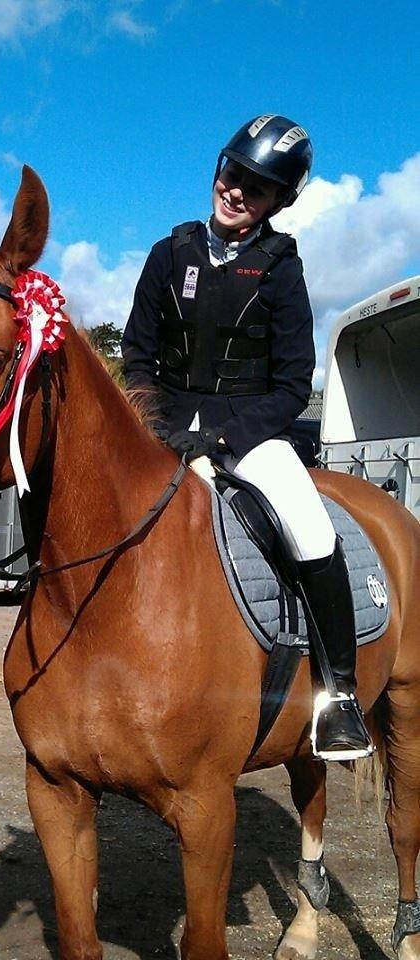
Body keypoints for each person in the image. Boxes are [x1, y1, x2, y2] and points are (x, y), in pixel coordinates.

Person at [121, 113, 373, 761]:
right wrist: (158, 426)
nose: (235, 191)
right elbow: (137, 356)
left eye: (255, 188)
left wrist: (224, 437)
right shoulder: (168, 253)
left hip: (252, 434)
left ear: (276, 202)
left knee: (309, 527)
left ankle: (339, 694)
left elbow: (292, 386)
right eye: (232, 173)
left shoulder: (281, 269)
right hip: (164, 426)